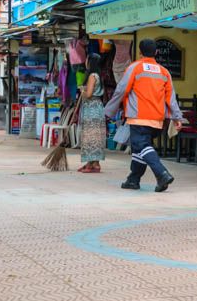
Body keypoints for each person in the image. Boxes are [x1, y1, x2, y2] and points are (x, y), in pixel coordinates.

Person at [105, 38, 182, 192]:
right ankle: (133, 179)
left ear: (140, 52)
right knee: (138, 148)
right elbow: (171, 98)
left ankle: (162, 173)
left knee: (142, 146)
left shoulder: (135, 67)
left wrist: (108, 111)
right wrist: (177, 117)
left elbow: (122, 89)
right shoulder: (164, 71)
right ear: (156, 52)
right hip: (158, 120)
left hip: (139, 117)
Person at [77, 54, 107, 173]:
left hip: (91, 108)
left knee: (89, 135)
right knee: (96, 136)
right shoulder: (98, 75)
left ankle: (91, 164)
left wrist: (82, 91)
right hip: (98, 107)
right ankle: (94, 163)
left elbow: (88, 94)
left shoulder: (91, 76)